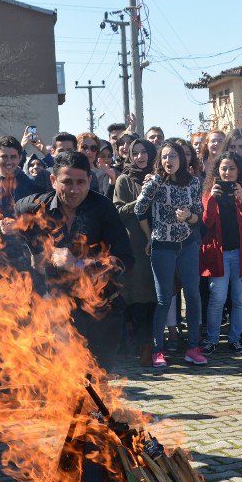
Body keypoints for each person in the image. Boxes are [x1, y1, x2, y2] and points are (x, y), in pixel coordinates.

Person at [14, 151, 134, 370]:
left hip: (100, 309)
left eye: (80, 182)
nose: (74, 189)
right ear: (53, 180)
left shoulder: (103, 208)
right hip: (60, 309)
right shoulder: (33, 207)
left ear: (90, 180)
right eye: (66, 182)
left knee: (97, 376)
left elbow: (125, 259)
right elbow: (17, 222)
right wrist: (34, 252)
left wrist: (80, 266)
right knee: (64, 374)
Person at [134, 141, 205, 367]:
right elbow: (139, 209)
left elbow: (198, 215)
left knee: (193, 296)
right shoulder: (155, 182)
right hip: (162, 246)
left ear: (181, 160)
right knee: (164, 299)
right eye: (164, 157)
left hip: (188, 245)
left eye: (173, 156)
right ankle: (158, 350)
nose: (168, 161)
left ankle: (193, 348)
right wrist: (149, 237)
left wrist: (188, 217)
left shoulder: (193, 183)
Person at [200, 151, 242, 355]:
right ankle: (211, 340)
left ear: (239, 171)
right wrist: (211, 200)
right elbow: (206, 222)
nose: (227, 172)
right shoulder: (210, 192)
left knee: (240, 298)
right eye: (223, 168)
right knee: (217, 297)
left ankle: (235, 339)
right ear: (217, 171)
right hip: (218, 254)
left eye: (231, 168)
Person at [112, 138, 158, 365]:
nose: (141, 157)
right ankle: (144, 348)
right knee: (139, 297)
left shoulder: (159, 176)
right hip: (136, 246)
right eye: (136, 153)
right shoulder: (124, 179)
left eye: (144, 152)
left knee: (158, 298)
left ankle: (158, 345)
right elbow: (117, 210)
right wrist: (139, 201)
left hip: (160, 242)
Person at [0, 136, 41, 218]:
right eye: (4, 156)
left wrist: (17, 225)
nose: (9, 162)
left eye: (13, 157)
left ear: (20, 158)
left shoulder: (28, 182)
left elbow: (35, 215)